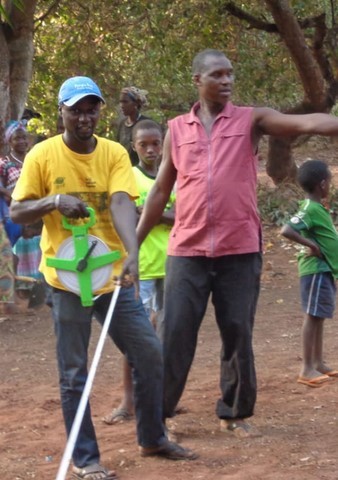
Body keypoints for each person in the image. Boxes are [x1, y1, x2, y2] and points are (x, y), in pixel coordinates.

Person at [136, 48, 338, 439]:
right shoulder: (177, 129)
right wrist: (135, 247)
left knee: (237, 333)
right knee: (175, 334)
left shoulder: (251, 120)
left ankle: (234, 413)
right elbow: (161, 189)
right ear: (198, 80)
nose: (226, 81)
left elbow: (307, 122)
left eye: (230, 74)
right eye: (217, 75)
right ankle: (159, 418)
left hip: (240, 249)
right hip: (187, 250)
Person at [10, 76, 196, 480]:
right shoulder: (43, 155)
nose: (84, 116)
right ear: (61, 110)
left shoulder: (113, 153)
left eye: (91, 108)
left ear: (99, 111)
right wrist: (54, 201)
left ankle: (151, 437)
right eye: (76, 109)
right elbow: (17, 212)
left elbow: (119, 203)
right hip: (67, 282)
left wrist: (131, 253)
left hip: (110, 277)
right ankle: (86, 458)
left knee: (148, 352)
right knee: (75, 372)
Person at [103, 119, 175, 425]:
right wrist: (160, 213)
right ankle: (128, 400)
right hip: (140, 266)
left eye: (155, 143)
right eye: (143, 144)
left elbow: (182, 216)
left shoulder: (172, 176)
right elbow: (126, 215)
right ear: (134, 146)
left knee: (166, 333)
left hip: (172, 264)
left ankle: (162, 398)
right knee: (136, 335)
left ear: (163, 144)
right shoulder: (129, 178)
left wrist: (151, 213)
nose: (150, 149)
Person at [281, 160, 338, 387]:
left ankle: (318, 362)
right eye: (330, 182)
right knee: (312, 316)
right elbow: (287, 229)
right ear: (322, 184)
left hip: (324, 270)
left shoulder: (318, 208)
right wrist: (311, 246)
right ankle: (306, 368)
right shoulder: (308, 209)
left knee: (319, 315)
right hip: (314, 270)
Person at [116, 86, 149, 166]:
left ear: (136, 103)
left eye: (125, 102)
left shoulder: (146, 124)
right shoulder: (122, 124)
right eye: (120, 102)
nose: (121, 105)